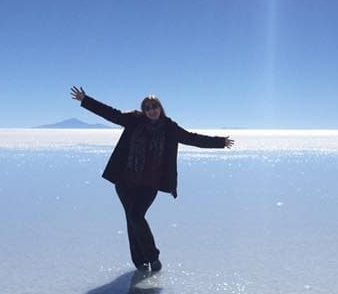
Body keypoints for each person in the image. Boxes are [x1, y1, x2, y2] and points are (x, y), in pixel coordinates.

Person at [70, 86, 234, 272]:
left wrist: (219, 142)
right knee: (132, 219)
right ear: (143, 110)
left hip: (149, 184)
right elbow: (111, 114)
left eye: (154, 106)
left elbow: (192, 138)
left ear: (160, 108)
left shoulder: (170, 128)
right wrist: (86, 100)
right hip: (125, 181)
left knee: (136, 216)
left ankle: (152, 257)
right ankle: (140, 262)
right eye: (147, 108)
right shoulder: (134, 121)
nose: (151, 110)